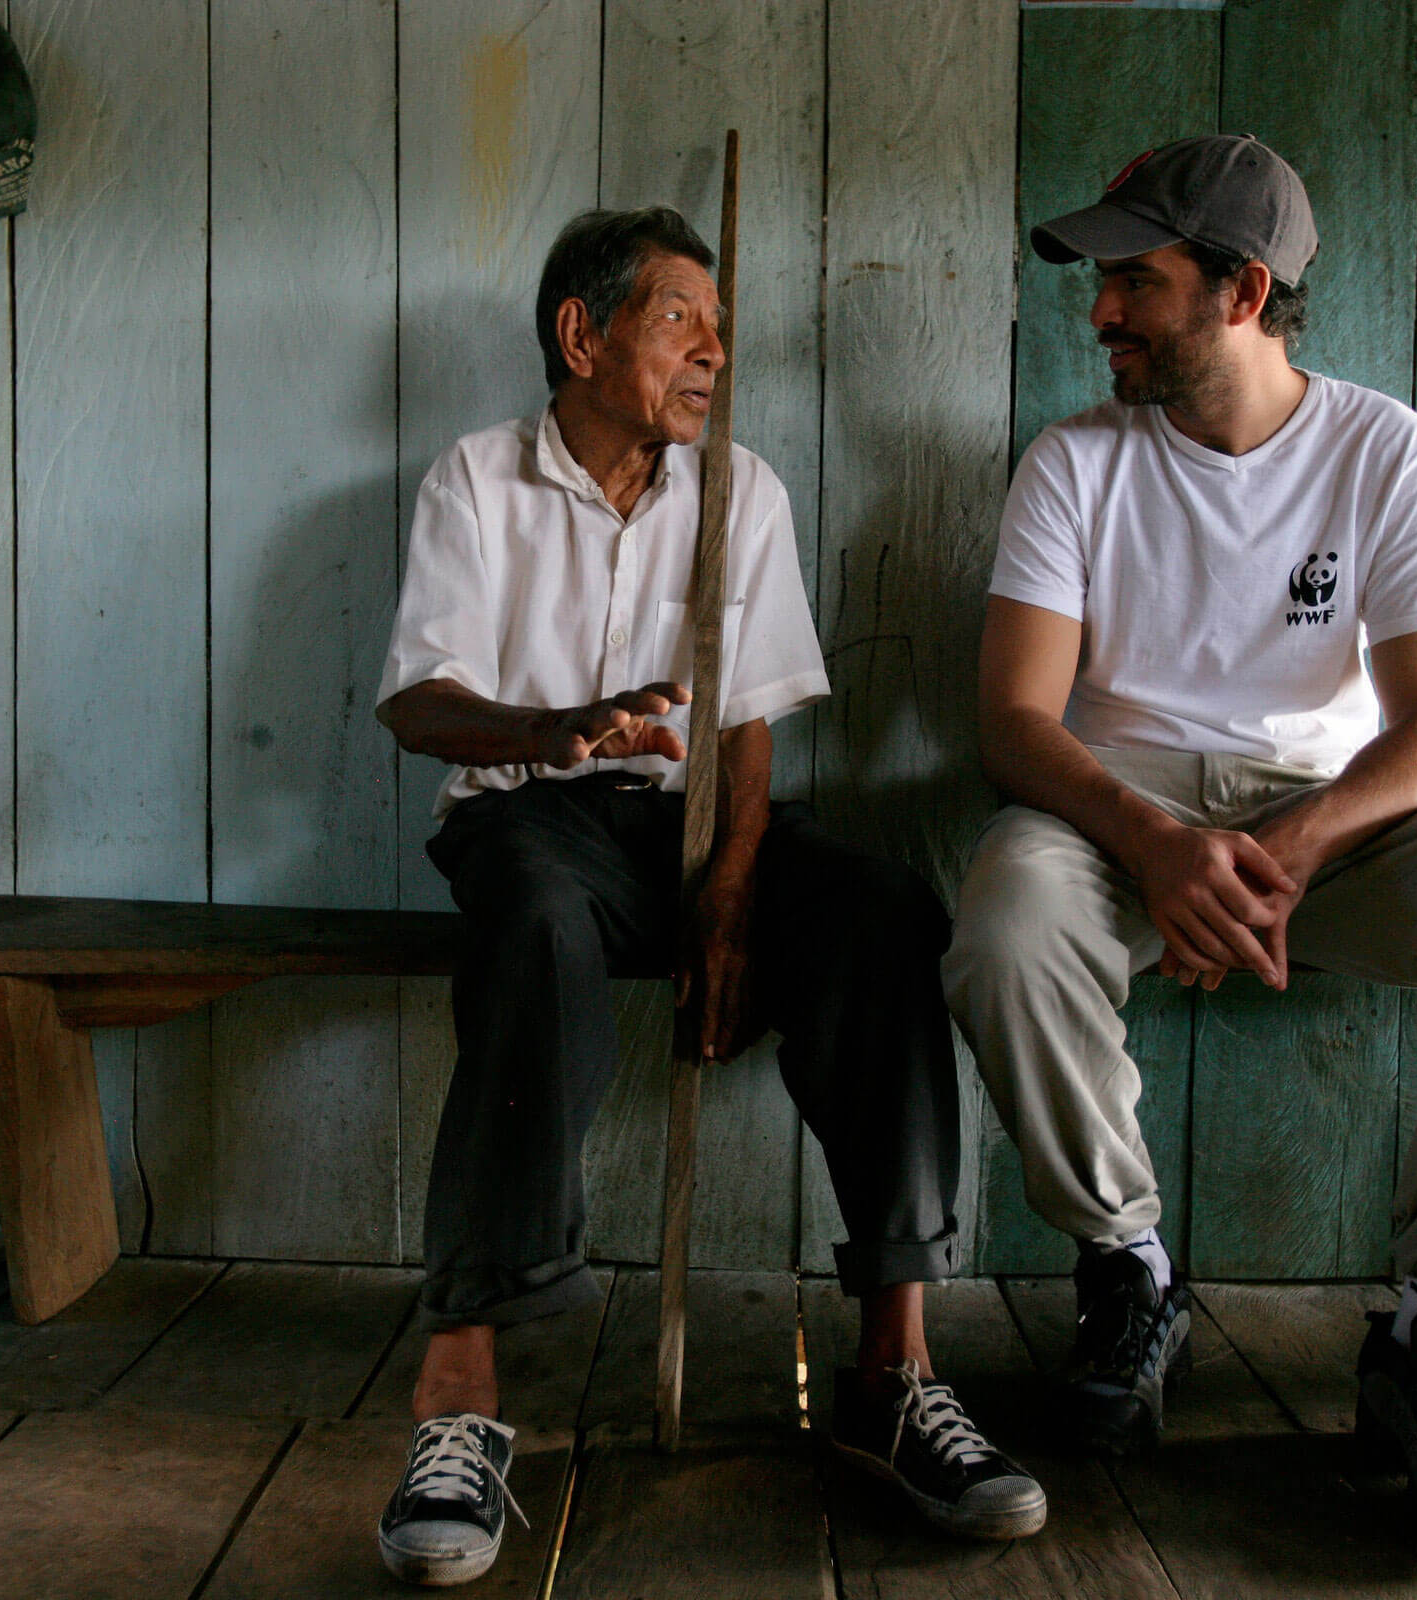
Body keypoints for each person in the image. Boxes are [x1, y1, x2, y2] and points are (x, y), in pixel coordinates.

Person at [942, 135, 1417, 1548]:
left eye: (1132, 281)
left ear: (1242, 289)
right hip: (1119, 823)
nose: (1101, 315)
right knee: (1008, 915)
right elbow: (1018, 723)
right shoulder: (1076, 463)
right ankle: (1127, 1270)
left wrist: (1295, 846)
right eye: (1102, 284)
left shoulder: (1389, 451)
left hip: (1325, 837)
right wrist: (1153, 845)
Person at [371, 207, 1045, 1586]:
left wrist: (731, 897)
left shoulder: (740, 490)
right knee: (532, 922)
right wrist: (560, 727)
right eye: (683, 318)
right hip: (535, 820)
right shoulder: (476, 479)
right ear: (583, 333)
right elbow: (419, 702)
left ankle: (890, 1377)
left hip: (704, 826)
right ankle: (459, 1398)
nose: (715, 355)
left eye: (719, 327)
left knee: (882, 916)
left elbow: (750, 725)